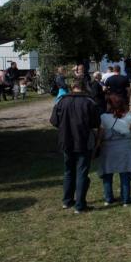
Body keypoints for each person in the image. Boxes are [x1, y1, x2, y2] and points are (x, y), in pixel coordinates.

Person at [50, 78, 101, 213]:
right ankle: (79, 205)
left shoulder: (62, 101)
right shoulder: (89, 102)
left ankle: (67, 201)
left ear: (72, 87)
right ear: (84, 87)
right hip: (83, 141)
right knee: (81, 172)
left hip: (67, 141)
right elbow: (96, 123)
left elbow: (54, 121)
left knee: (69, 171)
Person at [95, 94, 131, 206]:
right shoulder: (128, 115)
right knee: (125, 174)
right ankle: (126, 200)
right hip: (124, 149)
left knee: (107, 174)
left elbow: (100, 135)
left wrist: (97, 146)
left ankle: (108, 199)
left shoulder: (104, 117)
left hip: (108, 149)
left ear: (110, 104)